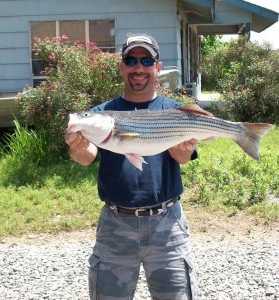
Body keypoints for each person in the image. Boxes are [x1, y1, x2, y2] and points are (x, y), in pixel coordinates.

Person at [65, 33, 198, 299]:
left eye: (147, 60)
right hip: (115, 224)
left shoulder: (177, 111)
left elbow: (183, 158)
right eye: (131, 60)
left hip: (167, 225)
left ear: (157, 68)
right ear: (121, 66)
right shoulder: (102, 113)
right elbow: (87, 156)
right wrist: (76, 147)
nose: (139, 68)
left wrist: (182, 148)